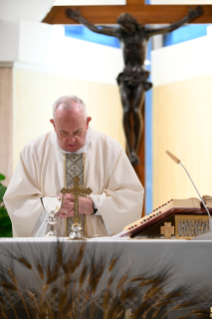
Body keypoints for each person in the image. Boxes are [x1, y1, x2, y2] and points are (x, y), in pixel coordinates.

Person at [66, 6, 203, 165]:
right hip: (125, 77)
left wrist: (189, 16)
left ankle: (134, 150)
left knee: (136, 110)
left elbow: (170, 27)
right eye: (122, 25)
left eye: (126, 25)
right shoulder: (120, 34)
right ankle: (130, 149)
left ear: (131, 22)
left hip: (139, 77)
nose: (124, 28)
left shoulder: (144, 33)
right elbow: (96, 29)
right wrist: (78, 18)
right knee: (126, 111)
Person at [4, 96, 144, 237]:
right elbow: (17, 202)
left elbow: (131, 198)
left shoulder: (110, 150)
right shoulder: (33, 151)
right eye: (63, 133)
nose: (71, 140)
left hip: (98, 252)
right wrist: (50, 207)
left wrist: (94, 206)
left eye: (77, 132)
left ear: (87, 122)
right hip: (50, 251)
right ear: (53, 125)